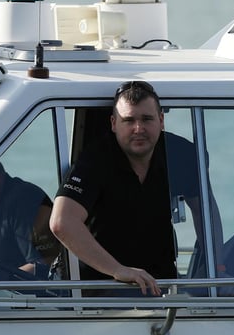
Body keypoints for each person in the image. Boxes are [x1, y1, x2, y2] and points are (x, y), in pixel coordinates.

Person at [50, 81, 176, 296]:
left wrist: (219, 269)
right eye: (129, 120)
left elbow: (205, 211)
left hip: (159, 286)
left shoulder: (181, 154)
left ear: (161, 120)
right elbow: (62, 222)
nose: (139, 129)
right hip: (96, 289)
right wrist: (118, 270)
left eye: (147, 119)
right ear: (113, 123)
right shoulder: (95, 160)